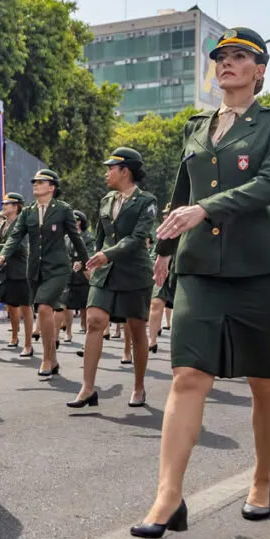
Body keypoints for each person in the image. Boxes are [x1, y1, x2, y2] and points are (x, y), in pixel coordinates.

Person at [134, 28, 270, 537]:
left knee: (264, 382)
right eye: (220, 57)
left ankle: (263, 479)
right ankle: (168, 495)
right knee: (188, 376)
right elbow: (182, 193)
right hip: (199, 268)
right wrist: (163, 253)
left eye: (239, 57)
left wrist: (205, 210)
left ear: (260, 70)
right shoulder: (196, 126)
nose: (226, 64)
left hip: (259, 271)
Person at [68, 148, 156, 408]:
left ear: (125, 170)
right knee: (95, 320)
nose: (107, 173)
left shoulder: (146, 200)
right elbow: (99, 235)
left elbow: (139, 237)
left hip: (134, 272)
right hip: (105, 272)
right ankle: (87, 388)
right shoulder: (106, 200)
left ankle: (139, 387)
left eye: (111, 168)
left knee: (137, 328)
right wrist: (90, 260)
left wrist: (107, 254)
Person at [0, 172, 88, 374]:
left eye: (41, 182)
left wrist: (86, 263)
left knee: (45, 307)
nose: (36, 185)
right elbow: (15, 237)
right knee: (43, 309)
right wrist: (3, 255)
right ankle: (53, 358)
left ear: (52, 187)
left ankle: (47, 359)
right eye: (34, 182)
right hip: (35, 270)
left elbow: (76, 238)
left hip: (57, 268)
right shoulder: (28, 212)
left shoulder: (63, 209)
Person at [0, 192, 32, 356]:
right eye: (3, 203)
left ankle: (28, 344)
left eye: (7, 203)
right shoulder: (1, 225)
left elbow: (19, 247)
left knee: (24, 307)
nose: (3, 205)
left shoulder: (22, 223)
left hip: (19, 271)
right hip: (2, 272)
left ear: (16, 207)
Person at [63, 210, 95, 342]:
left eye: (74, 221)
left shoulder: (88, 237)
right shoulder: (66, 237)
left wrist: (81, 263)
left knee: (85, 305)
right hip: (68, 275)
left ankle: (88, 331)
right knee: (66, 304)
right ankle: (68, 332)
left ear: (79, 222)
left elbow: (90, 252)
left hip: (83, 275)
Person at [148, 205, 175, 354]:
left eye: (168, 214)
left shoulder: (191, 229)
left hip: (182, 273)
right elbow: (154, 255)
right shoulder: (163, 233)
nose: (165, 217)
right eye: (164, 215)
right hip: (163, 275)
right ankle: (152, 340)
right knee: (156, 303)